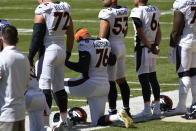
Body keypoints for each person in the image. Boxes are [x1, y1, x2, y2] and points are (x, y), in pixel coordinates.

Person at [63, 28, 133, 128]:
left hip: (91, 84)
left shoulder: (84, 44)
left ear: (79, 38)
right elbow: (112, 61)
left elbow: (82, 67)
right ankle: (118, 116)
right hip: (104, 86)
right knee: (98, 121)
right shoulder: (105, 42)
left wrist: (65, 62)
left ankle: (62, 120)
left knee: (57, 86)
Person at [27, 0, 74, 127]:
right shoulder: (65, 7)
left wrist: (30, 56)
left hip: (48, 51)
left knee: (44, 88)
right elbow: (70, 33)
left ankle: (45, 124)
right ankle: (64, 120)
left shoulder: (43, 8)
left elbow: (37, 36)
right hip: (61, 50)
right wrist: (68, 53)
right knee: (59, 87)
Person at [98, 0, 131, 117]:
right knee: (122, 80)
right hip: (121, 45)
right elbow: (125, 32)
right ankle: (126, 109)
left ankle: (113, 110)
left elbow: (101, 37)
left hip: (111, 48)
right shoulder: (124, 10)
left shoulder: (106, 13)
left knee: (110, 81)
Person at [130, 0, 162, 120]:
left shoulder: (137, 11)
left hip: (143, 49)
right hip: (152, 47)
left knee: (144, 80)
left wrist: (149, 46)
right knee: (153, 78)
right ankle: (157, 108)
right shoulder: (154, 8)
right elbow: (158, 30)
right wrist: (156, 45)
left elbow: (140, 33)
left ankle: (147, 109)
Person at [166, 0, 196, 116]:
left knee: (184, 74)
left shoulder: (181, 3)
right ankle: (194, 104)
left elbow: (175, 30)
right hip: (195, 40)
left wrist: (171, 47)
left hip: (185, 42)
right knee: (194, 73)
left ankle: (181, 106)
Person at [0, 25, 30, 131]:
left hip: (5, 115)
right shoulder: (24, 58)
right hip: (20, 113)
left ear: (1, 39)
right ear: (17, 40)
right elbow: (27, 84)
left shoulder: (2, 58)